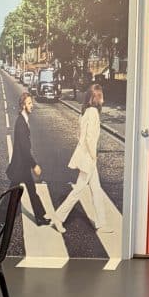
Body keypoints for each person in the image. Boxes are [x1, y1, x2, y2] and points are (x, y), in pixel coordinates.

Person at [51, 83, 111, 234]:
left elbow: (79, 135)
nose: (103, 98)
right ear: (95, 97)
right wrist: (93, 155)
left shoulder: (85, 112)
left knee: (96, 190)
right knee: (78, 190)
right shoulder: (93, 113)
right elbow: (90, 138)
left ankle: (101, 223)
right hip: (88, 158)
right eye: (100, 95)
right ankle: (58, 217)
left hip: (85, 155)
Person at [6, 92, 49, 225]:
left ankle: (40, 217)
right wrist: (34, 165)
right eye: (29, 103)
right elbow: (24, 149)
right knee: (12, 194)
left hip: (22, 166)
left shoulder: (23, 120)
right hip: (20, 166)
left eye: (32, 103)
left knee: (31, 190)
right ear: (23, 105)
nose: (32, 105)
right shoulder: (21, 122)